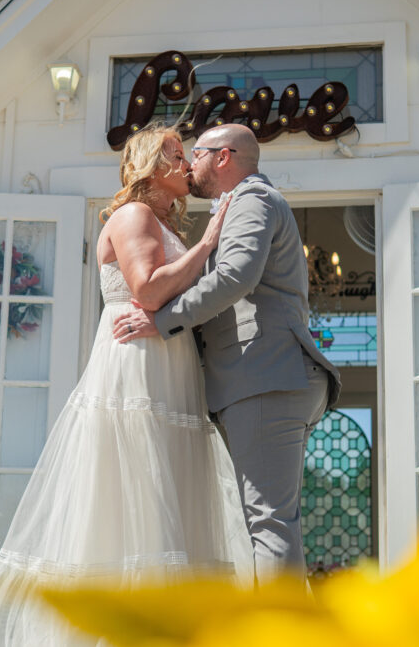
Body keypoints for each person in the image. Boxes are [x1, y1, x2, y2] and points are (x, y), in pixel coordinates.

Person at [0, 125, 251, 646]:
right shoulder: (133, 215)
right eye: (176, 154)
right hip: (137, 364)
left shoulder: (159, 221)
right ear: (152, 164)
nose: (187, 164)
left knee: (172, 491)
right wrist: (207, 243)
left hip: (169, 360)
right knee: (131, 490)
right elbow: (148, 291)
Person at [114, 123, 342, 584]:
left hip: (265, 377)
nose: (188, 164)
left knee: (270, 525)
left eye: (195, 153)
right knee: (271, 522)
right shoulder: (238, 205)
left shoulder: (252, 199)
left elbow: (236, 276)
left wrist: (162, 321)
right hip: (263, 378)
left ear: (223, 157)